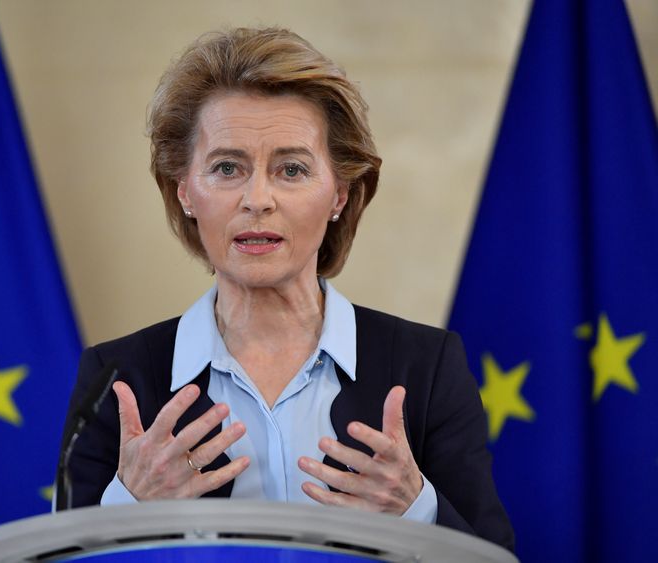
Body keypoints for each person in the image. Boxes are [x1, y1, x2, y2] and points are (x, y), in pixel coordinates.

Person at [61, 27, 514, 551]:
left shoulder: (428, 367)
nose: (258, 199)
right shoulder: (114, 379)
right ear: (184, 190)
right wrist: (129, 509)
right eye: (227, 168)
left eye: (291, 169)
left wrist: (414, 510)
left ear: (339, 193)